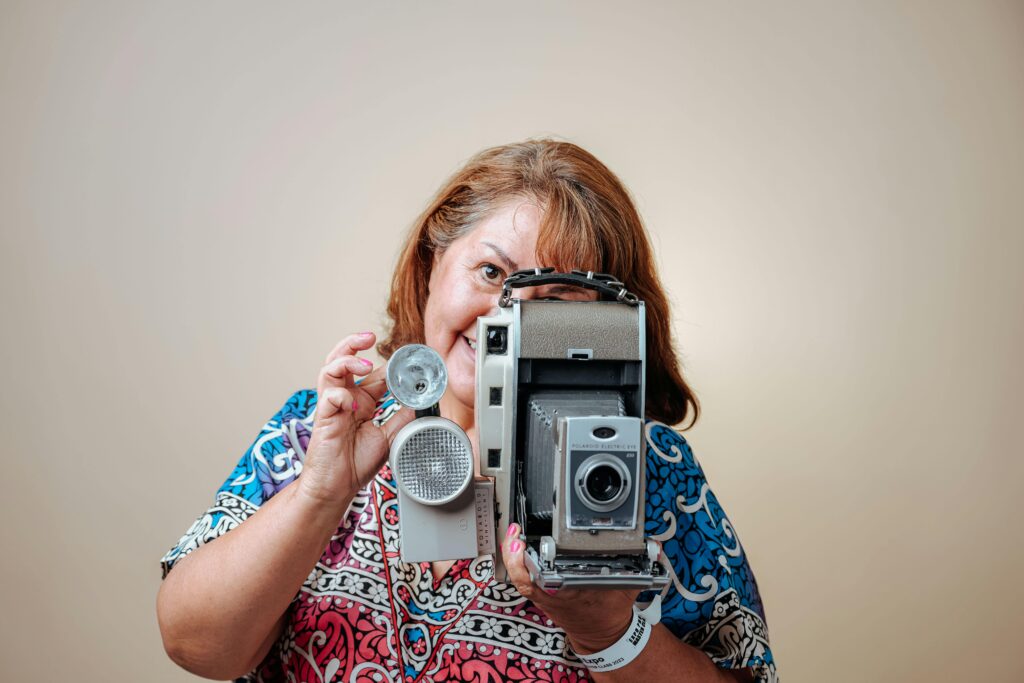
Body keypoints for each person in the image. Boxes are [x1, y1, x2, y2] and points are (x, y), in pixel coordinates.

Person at [156, 140, 778, 683]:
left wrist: (612, 635)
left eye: (556, 298)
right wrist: (322, 490)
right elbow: (197, 646)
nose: (504, 319)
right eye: (491, 273)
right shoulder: (317, 429)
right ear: (432, 267)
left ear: (606, 331)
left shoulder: (647, 469)